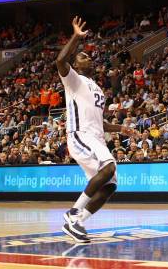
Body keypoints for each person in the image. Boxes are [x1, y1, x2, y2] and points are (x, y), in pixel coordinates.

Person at [56, 17, 130, 243]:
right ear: (75, 64)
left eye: (88, 56)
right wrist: (76, 38)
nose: (88, 58)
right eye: (82, 56)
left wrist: (122, 128)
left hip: (95, 136)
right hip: (80, 135)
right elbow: (60, 60)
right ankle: (73, 213)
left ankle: (77, 223)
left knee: (111, 185)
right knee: (109, 167)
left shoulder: (97, 88)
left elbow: (101, 122)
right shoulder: (73, 79)